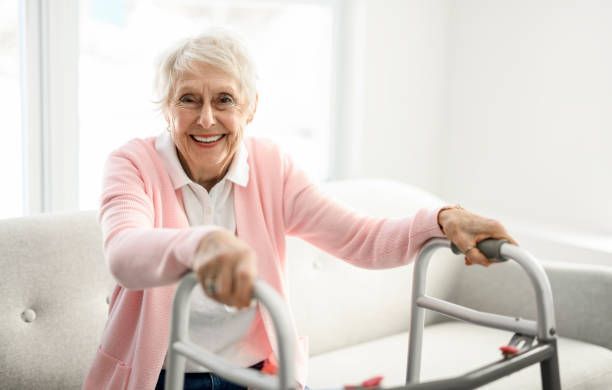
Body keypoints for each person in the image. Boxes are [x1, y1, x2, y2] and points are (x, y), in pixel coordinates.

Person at [82, 29, 516, 390]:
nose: (207, 119)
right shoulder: (131, 164)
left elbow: (361, 239)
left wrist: (441, 219)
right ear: (166, 109)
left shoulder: (272, 166)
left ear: (251, 108)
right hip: (158, 375)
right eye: (188, 99)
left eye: (225, 100)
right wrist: (203, 244)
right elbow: (124, 253)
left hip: (255, 374)